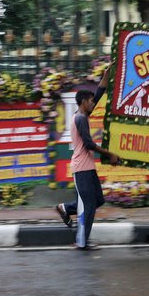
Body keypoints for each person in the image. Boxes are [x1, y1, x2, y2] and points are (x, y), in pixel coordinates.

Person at [55, 66, 120, 250]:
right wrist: (110, 154)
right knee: (88, 206)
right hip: (81, 169)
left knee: (98, 200)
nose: (93, 104)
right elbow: (89, 144)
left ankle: (66, 209)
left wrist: (105, 77)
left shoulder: (83, 114)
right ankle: (81, 242)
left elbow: (98, 95)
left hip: (88, 167)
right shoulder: (80, 119)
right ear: (84, 102)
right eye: (90, 102)